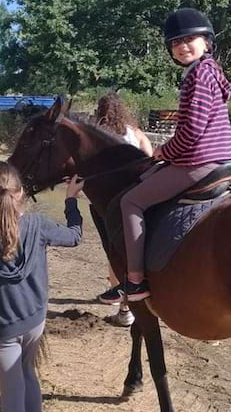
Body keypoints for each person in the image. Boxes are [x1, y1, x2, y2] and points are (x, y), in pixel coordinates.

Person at [120, 8, 231, 301]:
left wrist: (163, 151)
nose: (182, 46)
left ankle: (135, 280)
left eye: (189, 39)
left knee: (130, 201)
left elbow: (191, 132)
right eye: (175, 42)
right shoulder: (212, 72)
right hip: (226, 160)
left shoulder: (198, 75)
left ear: (207, 42)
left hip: (199, 163)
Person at [0, 162, 84, 412]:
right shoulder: (38, 224)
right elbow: (75, 235)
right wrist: (70, 200)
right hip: (36, 320)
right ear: (21, 193)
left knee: (12, 393)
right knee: (27, 373)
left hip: (3, 329)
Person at [93, 92, 152, 326]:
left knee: (113, 252)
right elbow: (148, 158)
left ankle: (123, 307)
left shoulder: (97, 133)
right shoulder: (134, 133)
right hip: (138, 196)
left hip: (106, 202)